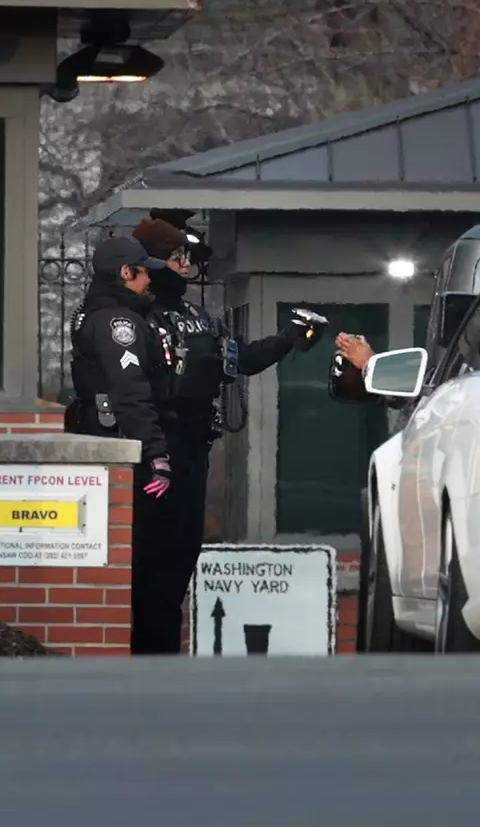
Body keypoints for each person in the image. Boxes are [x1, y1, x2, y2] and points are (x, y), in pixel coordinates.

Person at [129, 212, 327, 653]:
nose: (184, 265)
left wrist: (287, 339)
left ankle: (162, 653)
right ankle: (144, 653)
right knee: (149, 560)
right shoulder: (132, 317)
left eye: (186, 256)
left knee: (182, 555)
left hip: (195, 447)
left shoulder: (197, 315)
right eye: (175, 256)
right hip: (154, 451)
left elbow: (237, 361)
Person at [65, 235, 176, 652]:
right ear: (126, 273)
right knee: (140, 560)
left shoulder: (98, 314)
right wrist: (156, 455)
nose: (150, 279)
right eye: (143, 271)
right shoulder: (118, 322)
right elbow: (129, 392)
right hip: (122, 451)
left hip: (112, 445)